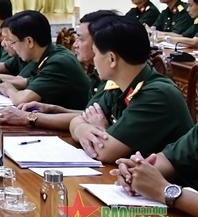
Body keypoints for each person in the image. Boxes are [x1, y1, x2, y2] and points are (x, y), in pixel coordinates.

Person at [66, 15, 192, 163]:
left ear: (112, 59)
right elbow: (77, 120)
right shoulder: (118, 85)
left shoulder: (157, 95)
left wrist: (93, 130)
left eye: (96, 53)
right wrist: (82, 129)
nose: (94, 60)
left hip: (172, 184)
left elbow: (103, 151)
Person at [0, 11, 90, 110]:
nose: (13, 47)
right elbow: (30, 81)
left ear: (29, 41)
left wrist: (9, 89)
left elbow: (22, 100)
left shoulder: (58, 62)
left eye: (13, 42)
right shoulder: (47, 54)